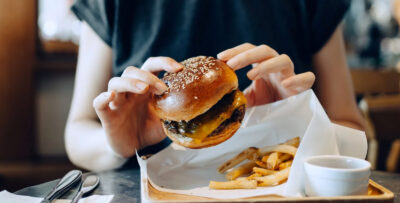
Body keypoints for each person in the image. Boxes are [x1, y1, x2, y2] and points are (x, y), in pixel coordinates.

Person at [65, 0, 364, 171]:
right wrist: (115, 144)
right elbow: (78, 130)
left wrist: (302, 119)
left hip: (280, 199)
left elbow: (355, 131)